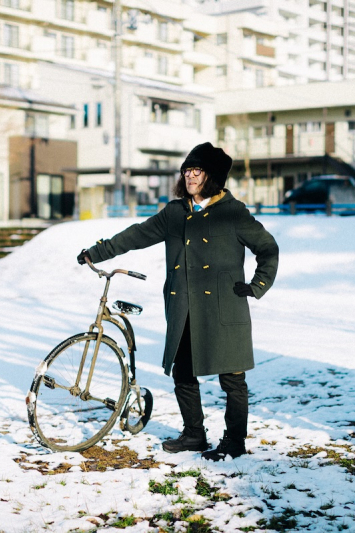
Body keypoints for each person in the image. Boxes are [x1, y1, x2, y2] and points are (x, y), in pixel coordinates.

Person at [77, 142, 278, 461]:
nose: (190, 175)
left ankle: (235, 441)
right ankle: (194, 434)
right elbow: (136, 235)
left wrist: (257, 285)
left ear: (212, 176)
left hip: (224, 308)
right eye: (187, 170)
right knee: (182, 371)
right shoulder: (175, 212)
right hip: (184, 307)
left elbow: (268, 249)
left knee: (232, 379)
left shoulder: (233, 212)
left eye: (197, 170)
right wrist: (96, 252)